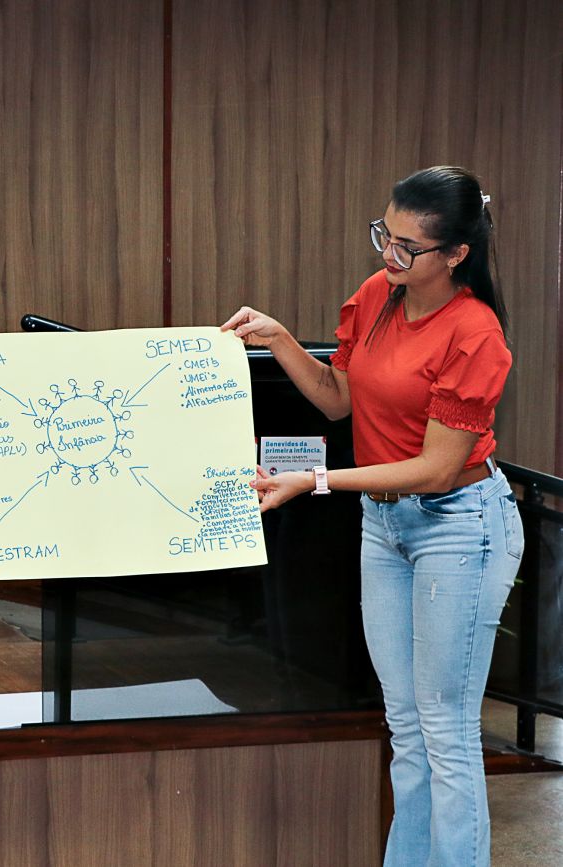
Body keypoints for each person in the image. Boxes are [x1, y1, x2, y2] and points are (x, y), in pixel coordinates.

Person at [222, 166, 521, 866]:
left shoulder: (475, 333)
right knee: (407, 726)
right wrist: (279, 338)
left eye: (409, 246)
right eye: (385, 233)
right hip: (386, 527)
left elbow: (437, 468)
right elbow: (337, 400)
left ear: (456, 254)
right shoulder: (377, 296)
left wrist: (317, 480)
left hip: (458, 526)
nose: (390, 253)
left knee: (446, 729)